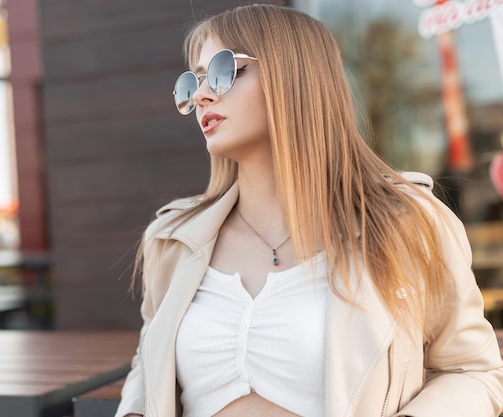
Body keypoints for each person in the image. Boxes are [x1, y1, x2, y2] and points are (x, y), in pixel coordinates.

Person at [115, 4, 503, 417]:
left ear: (295, 75)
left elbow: (473, 372)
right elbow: (148, 369)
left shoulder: (407, 223)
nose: (201, 94)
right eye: (193, 81)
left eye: (224, 71)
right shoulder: (174, 239)